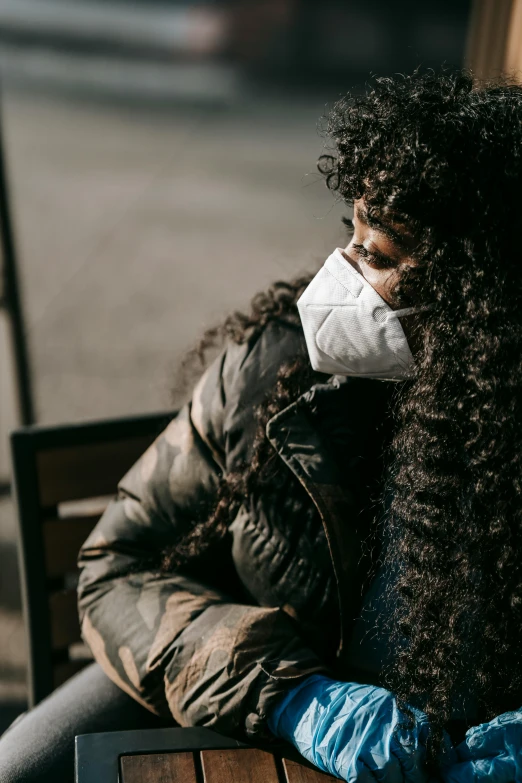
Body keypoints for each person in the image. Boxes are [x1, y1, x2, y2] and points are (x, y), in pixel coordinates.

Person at [2, 68, 522, 782]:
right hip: (236, 688)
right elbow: (113, 567)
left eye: (377, 253)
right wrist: (300, 699)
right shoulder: (276, 374)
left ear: (479, 291)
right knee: (20, 767)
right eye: (351, 234)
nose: (337, 275)